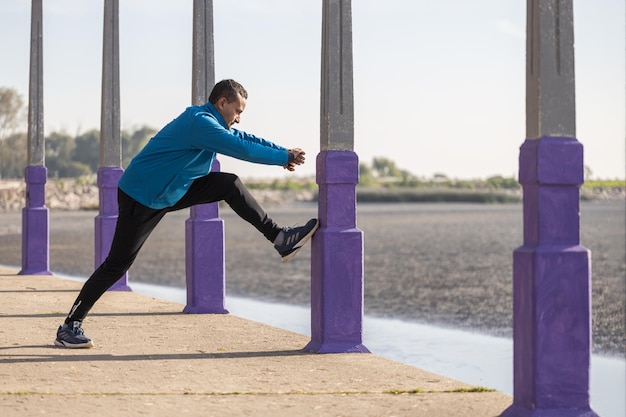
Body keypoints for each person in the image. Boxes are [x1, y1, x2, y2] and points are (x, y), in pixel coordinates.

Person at [54, 79, 319, 349]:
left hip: (171, 189)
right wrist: (283, 157)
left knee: (228, 184)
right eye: (237, 111)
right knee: (116, 265)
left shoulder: (214, 125)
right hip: (141, 195)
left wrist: (282, 153)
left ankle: (279, 238)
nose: (239, 118)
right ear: (222, 102)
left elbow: (243, 138)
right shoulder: (201, 122)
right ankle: (69, 326)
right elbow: (241, 149)